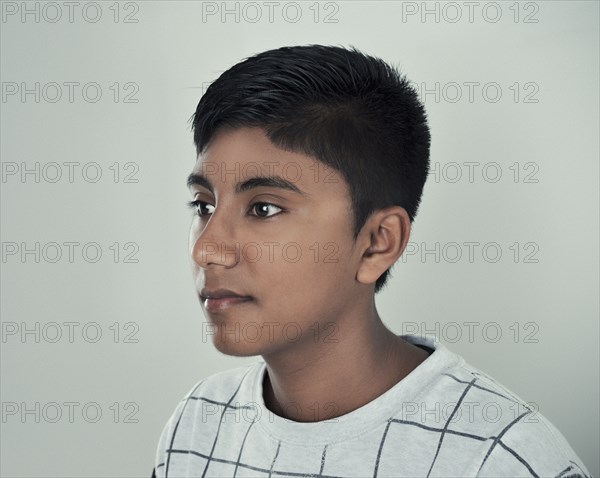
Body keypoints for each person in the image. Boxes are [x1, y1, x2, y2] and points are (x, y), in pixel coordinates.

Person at [152, 44, 591, 478]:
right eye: (204, 206)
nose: (206, 249)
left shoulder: (498, 458)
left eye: (264, 208)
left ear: (377, 243)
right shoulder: (198, 422)